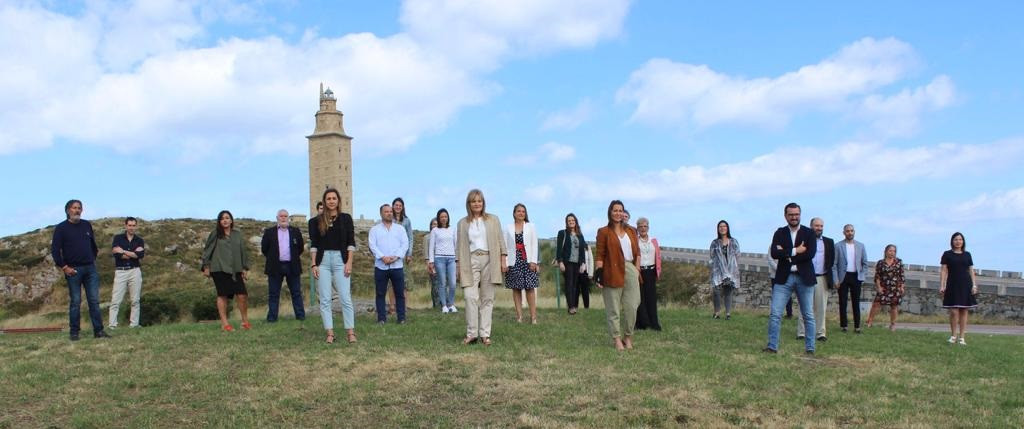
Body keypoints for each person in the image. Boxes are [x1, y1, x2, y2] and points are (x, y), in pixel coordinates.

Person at [51, 199, 109, 341]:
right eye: (74, 208)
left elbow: (93, 245)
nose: (77, 210)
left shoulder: (86, 225)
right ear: (68, 210)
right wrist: (64, 267)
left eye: (79, 208)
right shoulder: (61, 228)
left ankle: (99, 331)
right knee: (76, 301)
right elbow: (55, 250)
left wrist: (92, 258)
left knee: (94, 301)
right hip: (73, 270)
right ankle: (74, 332)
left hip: (90, 269)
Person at [764, 202, 817, 355]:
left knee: (808, 314)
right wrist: (796, 251)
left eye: (796, 214)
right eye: (791, 214)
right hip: (783, 278)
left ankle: (810, 348)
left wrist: (786, 254)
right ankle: (772, 346)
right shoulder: (779, 233)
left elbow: (810, 254)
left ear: (800, 215)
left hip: (804, 277)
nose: (794, 217)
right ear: (785, 216)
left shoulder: (809, 233)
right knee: (775, 313)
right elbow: (774, 253)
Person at [456, 189, 507, 346]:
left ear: (483, 203)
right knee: (470, 296)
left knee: (487, 298)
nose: (477, 204)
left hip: (490, 259)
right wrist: (458, 265)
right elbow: (459, 246)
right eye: (473, 201)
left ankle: (485, 334)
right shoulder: (462, 223)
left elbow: (500, 240)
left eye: (479, 201)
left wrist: (503, 258)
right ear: (469, 204)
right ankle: (472, 333)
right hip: (470, 260)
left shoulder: (493, 219)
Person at [309, 188, 357, 344]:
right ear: (324, 201)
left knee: (345, 297)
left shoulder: (346, 219)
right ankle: (330, 332)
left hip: (340, 260)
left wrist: (349, 262)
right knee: (325, 299)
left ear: (338, 201)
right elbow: (314, 245)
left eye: (334, 198)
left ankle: (350, 332)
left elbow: (351, 243)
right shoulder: (315, 221)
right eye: (328, 198)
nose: (331, 201)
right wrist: (314, 264)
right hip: (322, 261)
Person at [594, 200, 641, 351]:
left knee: (632, 306)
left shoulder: (632, 231)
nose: (618, 213)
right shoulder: (604, 232)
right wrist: (599, 273)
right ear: (610, 212)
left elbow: (637, 253)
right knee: (613, 307)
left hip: (630, 268)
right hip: (611, 270)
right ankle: (616, 339)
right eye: (615, 210)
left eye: (620, 210)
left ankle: (628, 336)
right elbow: (600, 255)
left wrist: (637, 270)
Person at [201, 210, 251, 332]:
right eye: (222, 218)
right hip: (219, 268)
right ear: (219, 221)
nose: (225, 220)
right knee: (222, 295)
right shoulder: (215, 234)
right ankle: (225, 324)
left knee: (242, 295)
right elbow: (207, 250)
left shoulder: (237, 234)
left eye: (227, 218)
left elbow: (242, 251)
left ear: (231, 220)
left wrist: (244, 267)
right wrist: (206, 266)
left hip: (236, 269)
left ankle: (245, 322)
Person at [260, 209, 306, 323]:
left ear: (288, 218)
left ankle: (300, 317)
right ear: (277, 218)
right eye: (281, 216)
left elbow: (300, 248)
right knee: (274, 293)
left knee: (296, 292)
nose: (283, 218)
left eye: (285, 216)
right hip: (275, 266)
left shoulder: (295, 231)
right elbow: (264, 249)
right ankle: (272, 318)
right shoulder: (269, 232)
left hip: (292, 265)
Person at [369, 204, 409, 324]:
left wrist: (396, 257)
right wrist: (382, 257)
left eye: (391, 211)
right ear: (381, 214)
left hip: (397, 266)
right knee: (380, 293)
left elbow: (405, 244)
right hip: (381, 266)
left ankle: (401, 318)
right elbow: (372, 245)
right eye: (386, 212)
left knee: (400, 293)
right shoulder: (374, 230)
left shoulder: (400, 229)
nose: (389, 213)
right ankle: (381, 318)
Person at [797, 217, 835, 342]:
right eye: (816, 225)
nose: (819, 228)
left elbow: (831, 262)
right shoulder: (803, 240)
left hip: (822, 277)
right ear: (811, 226)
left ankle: (820, 333)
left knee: (821, 307)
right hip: (806, 276)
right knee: (804, 305)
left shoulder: (829, 242)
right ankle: (802, 332)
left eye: (821, 226)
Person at [939, 232, 977, 345]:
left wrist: (974, 285)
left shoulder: (967, 254)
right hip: (952, 284)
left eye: (960, 239)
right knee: (954, 311)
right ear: (952, 241)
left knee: (964, 310)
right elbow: (944, 270)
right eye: (956, 239)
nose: (958, 241)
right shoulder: (947, 254)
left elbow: (971, 270)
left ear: (963, 241)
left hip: (966, 284)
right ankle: (953, 336)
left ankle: (962, 338)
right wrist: (942, 285)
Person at [504, 203, 540, 324]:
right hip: (513, 261)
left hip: (528, 260)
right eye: (518, 211)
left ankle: (533, 317)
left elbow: (535, 244)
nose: (521, 213)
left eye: (523, 211)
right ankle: (519, 317)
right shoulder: (508, 227)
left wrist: (534, 261)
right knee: (516, 288)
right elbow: (504, 246)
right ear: (514, 213)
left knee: (530, 288)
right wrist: (505, 262)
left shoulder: (531, 226)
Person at [108, 216, 145, 329]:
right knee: (115, 300)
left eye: (134, 225)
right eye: (129, 225)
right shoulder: (118, 238)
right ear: (125, 226)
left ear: (136, 226)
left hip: (135, 271)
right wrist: (132, 253)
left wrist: (123, 251)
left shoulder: (139, 240)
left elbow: (140, 255)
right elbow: (117, 254)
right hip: (121, 272)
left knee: (135, 300)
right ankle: (112, 325)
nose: (131, 228)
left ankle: (134, 324)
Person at [834, 224, 868, 333]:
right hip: (843, 277)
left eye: (852, 231)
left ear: (854, 232)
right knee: (842, 302)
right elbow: (834, 264)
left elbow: (865, 263)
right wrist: (836, 280)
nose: (850, 233)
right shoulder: (838, 246)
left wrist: (862, 276)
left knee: (856, 302)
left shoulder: (860, 246)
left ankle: (857, 327)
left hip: (856, 276)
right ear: (844, 232)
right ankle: (844, 326)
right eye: (847, 231)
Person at [866, 245, 905, 332]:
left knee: (894, 306)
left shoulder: (899, 262)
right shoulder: (880, 263)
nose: (892, 253)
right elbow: (877, 276)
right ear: (886, 251)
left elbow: (901, 276)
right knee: (876, 304)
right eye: (890, 251)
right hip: (884, 287)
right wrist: (879, 287)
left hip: (895, 287)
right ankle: (870, 321)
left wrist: (902, 287)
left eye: (894, 251)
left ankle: (893, 324)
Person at [556, 213, 588, 315]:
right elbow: (559, 249)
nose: (571, 222)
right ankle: (571, 307)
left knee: (575, 285)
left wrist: (583, 263)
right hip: (567, 262)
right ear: (566, 222)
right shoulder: (562, 233)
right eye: (569, 221)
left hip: (577, 263)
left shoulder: (580, 235)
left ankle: (574, 305)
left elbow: (582, 251)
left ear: (576, 222)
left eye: (573, 220)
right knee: (569, 284)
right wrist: (560, 262)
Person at [634, 217, 662, 331]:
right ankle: (641, 323)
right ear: (637, 228)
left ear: (648, 227)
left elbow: (658, 256)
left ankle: (654, 323)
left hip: (651, 271)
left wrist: (658, 271)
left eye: (645, 226)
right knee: (640, 298)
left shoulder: (654, 241)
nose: (643, 228)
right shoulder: (635, 240)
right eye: (640, 226)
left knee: (651, 298)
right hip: (639, 272)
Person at [429, 209, 458, 314]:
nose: (444, 218)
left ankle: (451, 304)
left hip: (451, 259)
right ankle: (444, 305)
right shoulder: (435, 230)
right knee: (442, 283)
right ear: (439, 218)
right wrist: (431, 261)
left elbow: (456, 245)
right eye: (441, 217)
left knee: (453, 283)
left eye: (445, 216)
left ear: (448, 218)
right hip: (439, 258)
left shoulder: (453, 229)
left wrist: (457, 260)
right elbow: (431, 247)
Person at [710, 220, 740, 320]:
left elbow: (737, 255)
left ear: (727, 228)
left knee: (728, 292)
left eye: (724, 226)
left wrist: (732, 267)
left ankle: (728, 314)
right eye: (720, 227)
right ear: (718, 229)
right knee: (716, 292)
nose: (722, 228)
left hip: (731, 270)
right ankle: (717, 312)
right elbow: (712, 256)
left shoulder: (734, 242)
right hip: (718, 270)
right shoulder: (714, 243)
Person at [390, 197, 413, 316]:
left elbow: (410, 237)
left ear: (403, 207)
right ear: (392, 206)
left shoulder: (406, 221)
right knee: (392, 282)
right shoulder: (390, 219)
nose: (398, 207)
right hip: (391, 255)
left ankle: (404, 306)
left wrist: (409, 253)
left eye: (400, 205)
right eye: (396, 205)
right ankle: (392, 307)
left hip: (403, 255)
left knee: (404, 282)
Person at [425, 217, 441, 309]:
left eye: (437, 224)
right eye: (433, 224)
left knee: (443, 284)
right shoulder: (427, 237)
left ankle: (445, 303)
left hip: (442, 263)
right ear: (431, 226)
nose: (435, 225)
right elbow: (426, 253)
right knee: (435, 285)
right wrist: (428, 265)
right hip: (432, 264)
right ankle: (436, 304)